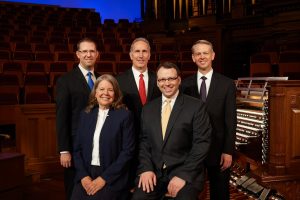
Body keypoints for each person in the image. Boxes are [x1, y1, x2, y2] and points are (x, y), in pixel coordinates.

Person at [132, 62, 211, 200]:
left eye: (171, 79)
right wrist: (146, 169)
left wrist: (183, 175)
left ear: (179, 80)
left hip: (185, 171)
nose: (166, 83)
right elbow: (144, 142)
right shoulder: (148, 109)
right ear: (157, 82)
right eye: (162, 79)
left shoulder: (196, 106)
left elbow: (202, 144)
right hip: (155, 172)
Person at [181, 39, 237, 200]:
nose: (202, 56)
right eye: (198, 53)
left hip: (219, 150)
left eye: (205, 53)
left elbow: (231, 120)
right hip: (192, 150)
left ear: (213, 55)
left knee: (220, 193)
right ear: (193, 58)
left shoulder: (227, 84)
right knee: (191, 194)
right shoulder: (185, 85)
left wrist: (228, 150)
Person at [71, 74, 135, 200]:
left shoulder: (124, 116)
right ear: (95, 93)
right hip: (86, 174)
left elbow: (128, 152)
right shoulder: (85, 114)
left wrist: (104, 179)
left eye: (110, 90)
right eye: (101, 89)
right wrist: (83, 176)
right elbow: (77, 150)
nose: (105, 93)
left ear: (115, 94)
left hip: (112, 176)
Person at [56, 37, 100, 200]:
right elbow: (62, 117)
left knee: (94, 186)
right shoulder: (65, 81)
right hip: (75, 146)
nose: (88, 54)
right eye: (84, 51)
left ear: (97, 54)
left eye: (92, 51)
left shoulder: (102, 79)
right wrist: (64, 150)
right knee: (74, 188)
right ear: (78, 54)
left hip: (99, 143)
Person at [116, 37, 161, 188]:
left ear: (149, 54)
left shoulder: (160, 80)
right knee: (127, 185)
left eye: (144, 51)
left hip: (154, 141)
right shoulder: (118, 81)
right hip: (127, 140)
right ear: (130, 55)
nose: (141, 55)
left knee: (151, 185)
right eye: (137, 51)